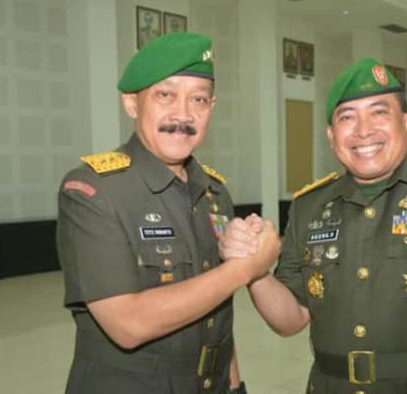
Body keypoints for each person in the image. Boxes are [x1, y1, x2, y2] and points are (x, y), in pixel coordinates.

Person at [220, 58, 407, 393]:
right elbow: (290, 320)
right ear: (331, 136)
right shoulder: (308, 207)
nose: (363, 130)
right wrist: (255, 270)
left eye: (379, 112)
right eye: (347, 117)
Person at [57, 32, 279, 394]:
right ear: (132, 103)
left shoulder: (215, 193)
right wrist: (246, 269)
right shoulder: (93, 191)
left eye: (198, 99)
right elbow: (128, 324)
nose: (183, 114)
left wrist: (234, 385)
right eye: (165, 95)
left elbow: (216, 310)